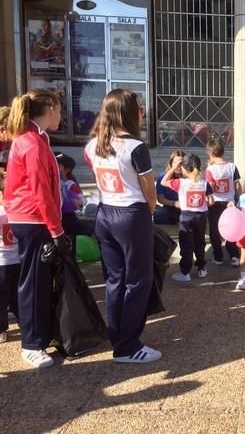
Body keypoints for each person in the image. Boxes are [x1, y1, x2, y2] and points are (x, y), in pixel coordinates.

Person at [85, 89, 161, 363]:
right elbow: (149, 191)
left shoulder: (92, 145)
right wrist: (148, 212)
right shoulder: (135, 148)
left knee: (114, 280)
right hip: (131, 215)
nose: (142, 113)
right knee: (139, 280)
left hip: (105, 214)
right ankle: (128, 346)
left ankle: (117, 336)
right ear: (129, 113)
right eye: (139, 109)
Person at [5, 89, 66, 368]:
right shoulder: (31, 143)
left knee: (39, 280)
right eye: (59, 109)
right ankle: (31, 344)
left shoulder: (37, 138)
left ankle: (40, 335)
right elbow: (41, 190)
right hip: (33, 220)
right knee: (33, 281)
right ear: (50, 108)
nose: (61, 115)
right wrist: (56, 230)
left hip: (34, 218)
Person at [162, 153, 210, 282]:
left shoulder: (181, 183)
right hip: (201, 216)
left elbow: (163, 181)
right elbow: (211, 201)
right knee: (200, 243)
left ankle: (185, 272)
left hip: (186, 217)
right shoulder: (205, 183)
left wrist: (173, 168)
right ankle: (201, 269)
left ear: (183, 168)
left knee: (186, 244)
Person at [205, 138, 241, 266]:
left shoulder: (210, 170)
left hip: (214, 203)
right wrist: (237, 200)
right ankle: (235, 256)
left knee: (214, 230)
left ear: (210, 154)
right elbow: (237, 186)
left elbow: (209, 187)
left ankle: (218, 257)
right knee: (231, 229)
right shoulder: (232, 167)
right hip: (230, 203)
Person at [0, 166, 20, 344]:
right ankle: (24, 322)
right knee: (15, 294)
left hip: (9, 260)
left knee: (6, 295)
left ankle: (2, 329)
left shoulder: (10, 209)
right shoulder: (17, 208)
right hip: (14, 259)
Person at [56, 153, 86, 257]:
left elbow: (82, 199)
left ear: (67, 169)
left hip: (67, 217)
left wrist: (79, 202)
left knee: (69, 245)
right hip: (56, 216)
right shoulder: (53, 180)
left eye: (58, 165)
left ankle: (70, 266)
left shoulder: (70, 183)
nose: (55, 166)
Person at [153, 150, 185, 225]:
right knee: (158, 214)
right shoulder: (162, 176)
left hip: (186, 208)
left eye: (180, 163)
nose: (178, 166)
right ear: (171, 163)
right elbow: (160, 199)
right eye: (174, 163)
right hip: (170, 207)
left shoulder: (188, 177)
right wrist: (174, 203)